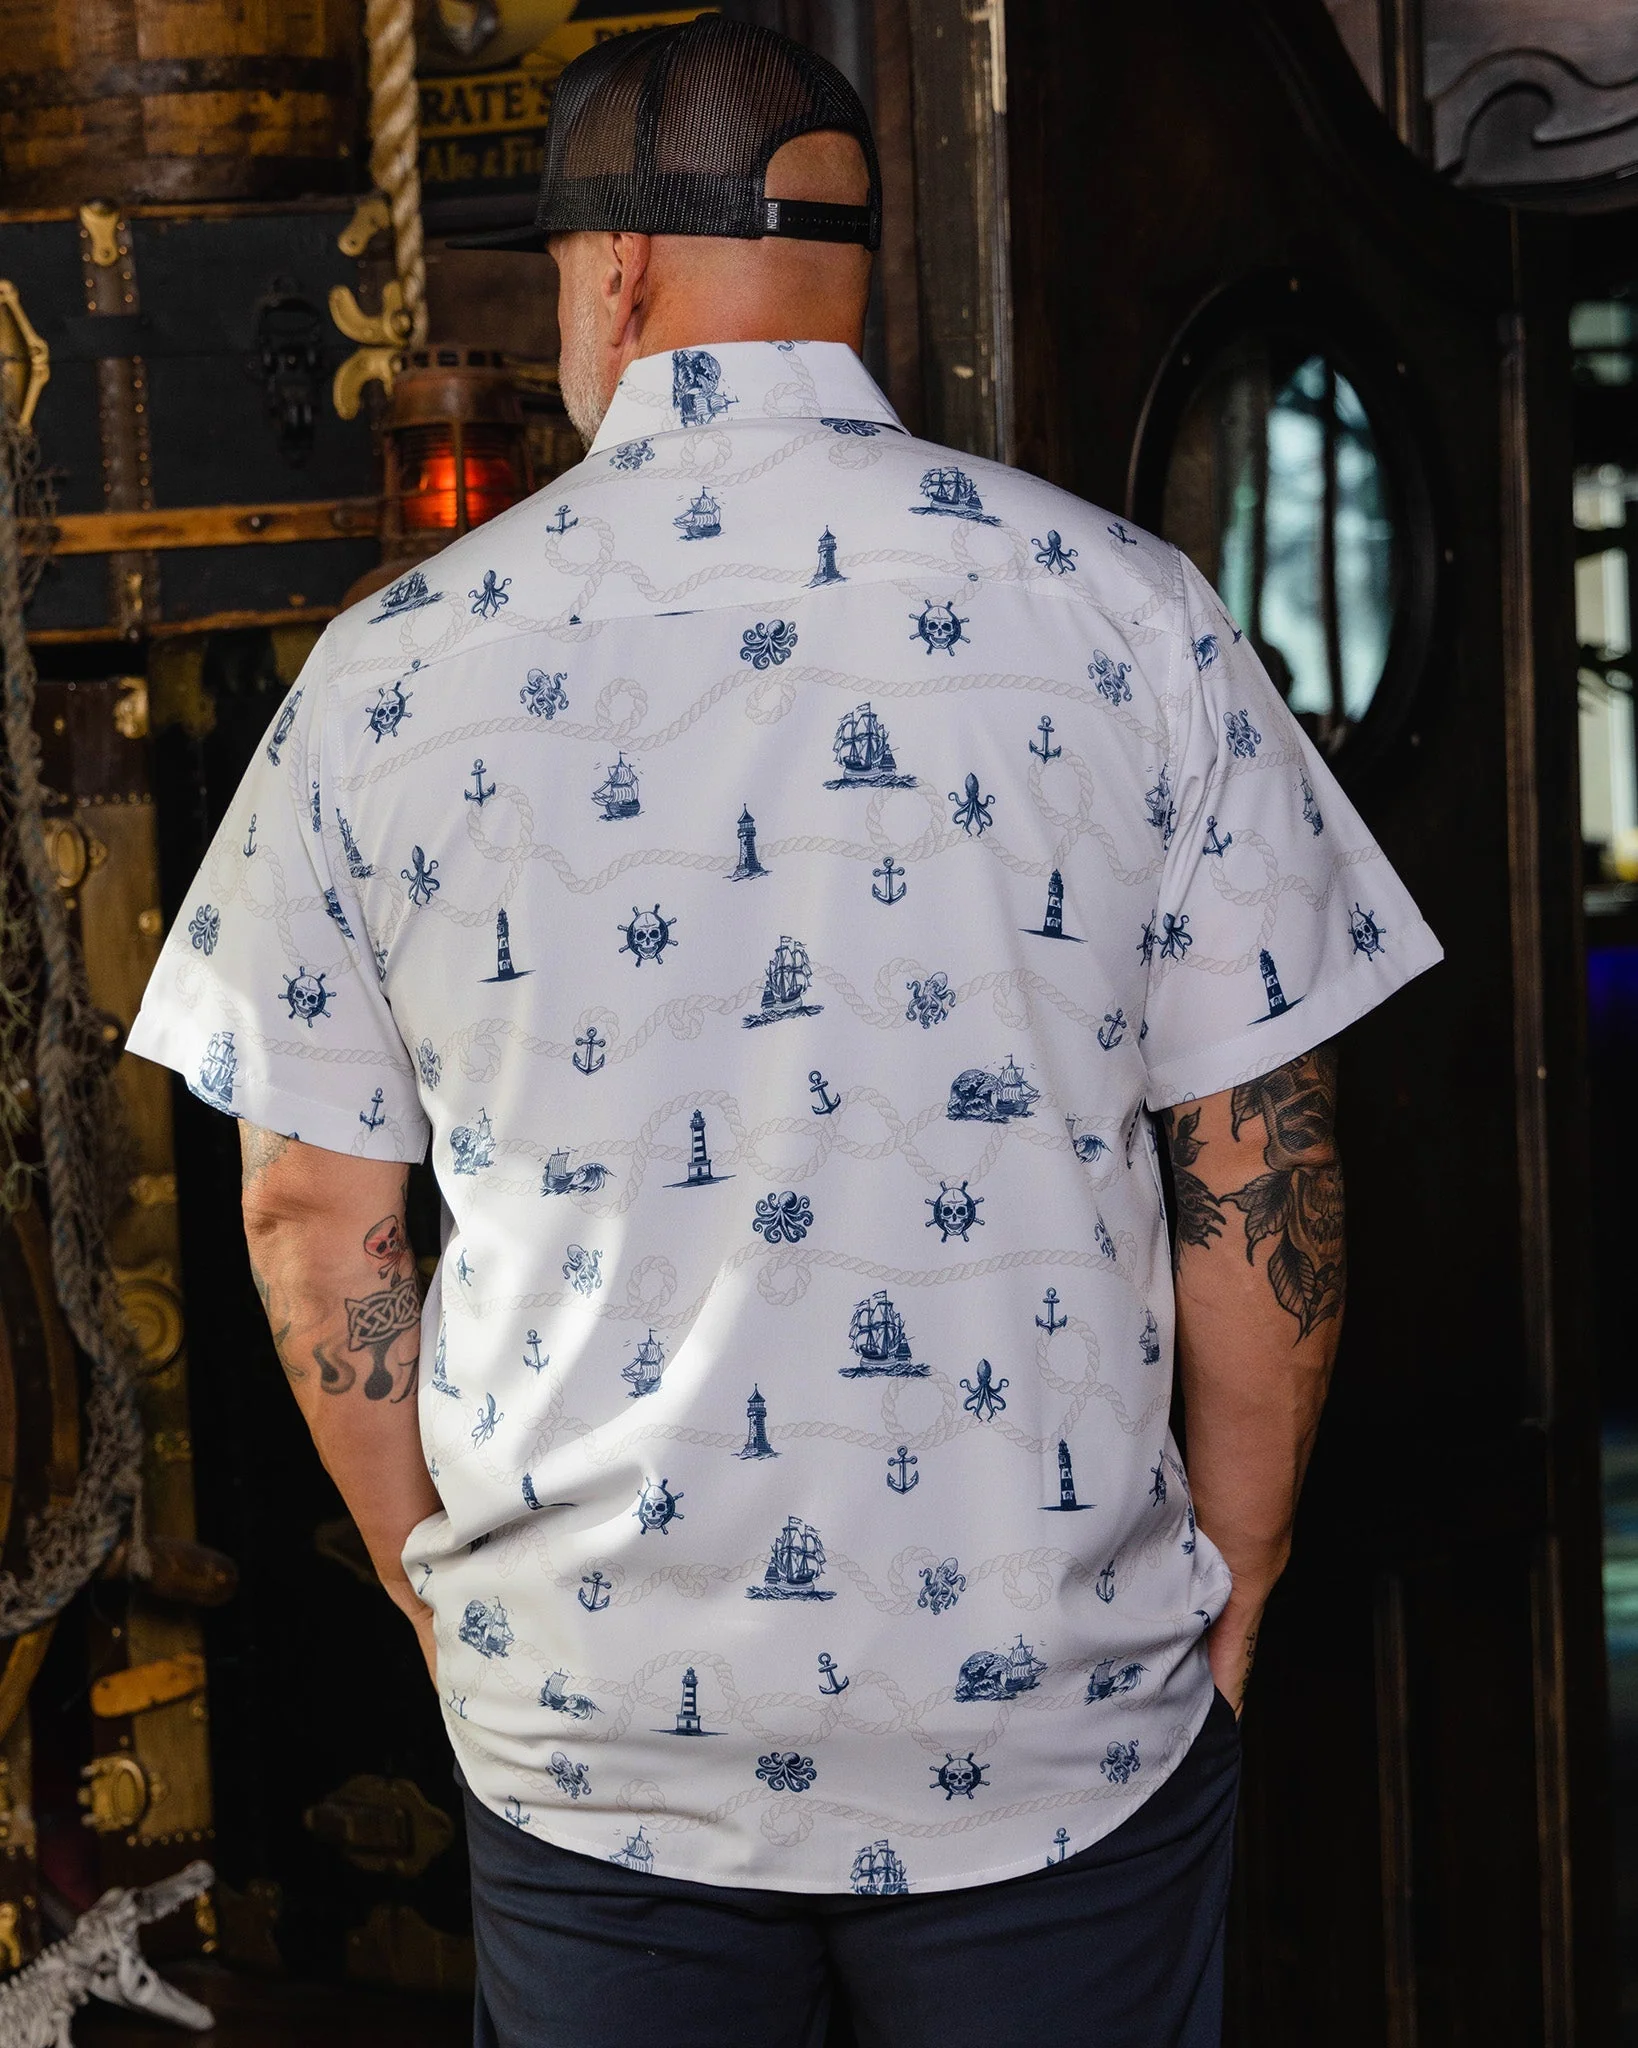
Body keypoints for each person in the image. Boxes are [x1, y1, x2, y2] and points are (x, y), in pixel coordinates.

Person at [127, 18, 1441, 2046]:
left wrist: (427, 1586)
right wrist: (1238, 1569)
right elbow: (1263, 1155)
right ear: (853, 278)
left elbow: (313, 1215)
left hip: (595, 1727)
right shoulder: (1133, 615)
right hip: (1056, 1719)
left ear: (614, 271)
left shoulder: (389, 674)